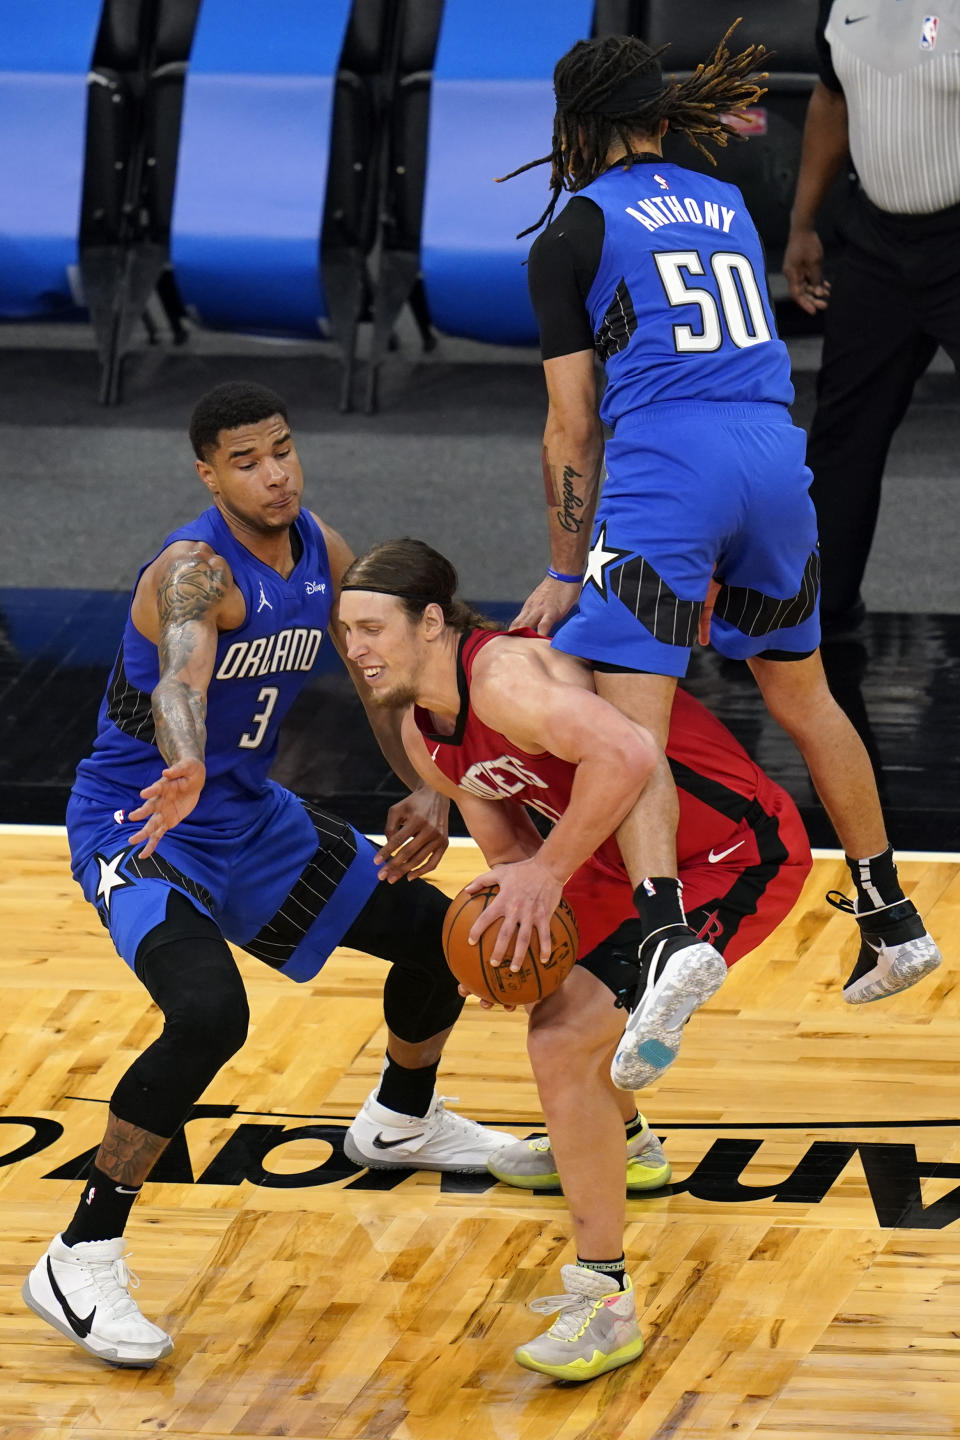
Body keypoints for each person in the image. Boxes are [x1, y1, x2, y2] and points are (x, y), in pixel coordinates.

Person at [21, 382, 513, 1370]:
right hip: (145, 827)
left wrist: (425, 783)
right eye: (246, 461)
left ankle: (402, 1122)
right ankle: (81, 1251)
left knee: (434, 934)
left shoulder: (323, 552)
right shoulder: (195, 570)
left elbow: (382, 672)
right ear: (208, 474)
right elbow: (182, 678)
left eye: (282, 450)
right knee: (208, 1015)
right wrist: (189, 755)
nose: (274, 472)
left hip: (250, 822)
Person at [500, 28, 941, 1091]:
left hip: (672, 474)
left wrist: (566, 565)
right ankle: (892, 913)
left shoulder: (572, 231)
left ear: (575, 125)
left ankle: (664, 939)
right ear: (659, 112)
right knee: (808, 698)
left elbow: (573, 424)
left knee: (628, 723)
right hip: (772, 459)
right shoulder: (723, 200)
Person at [337, 536, 812, 1382]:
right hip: (603, 858)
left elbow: (630, 757)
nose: (357, 651)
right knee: (547, 1012)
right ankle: (622, 1141)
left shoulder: (507, 681)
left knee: (561, 1042)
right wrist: (510, 937)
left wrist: (546, 878)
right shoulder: (424, 731)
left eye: (373, 629)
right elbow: (511, 853)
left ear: (434, 622)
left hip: (730, 850)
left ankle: (607, 1301)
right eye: (346, 634)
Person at [784, 0, 960, 632]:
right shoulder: (841, 5)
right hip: (876, 245)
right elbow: (832, 101)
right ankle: (823, 611)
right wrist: (804, 222)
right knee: (842, 433)